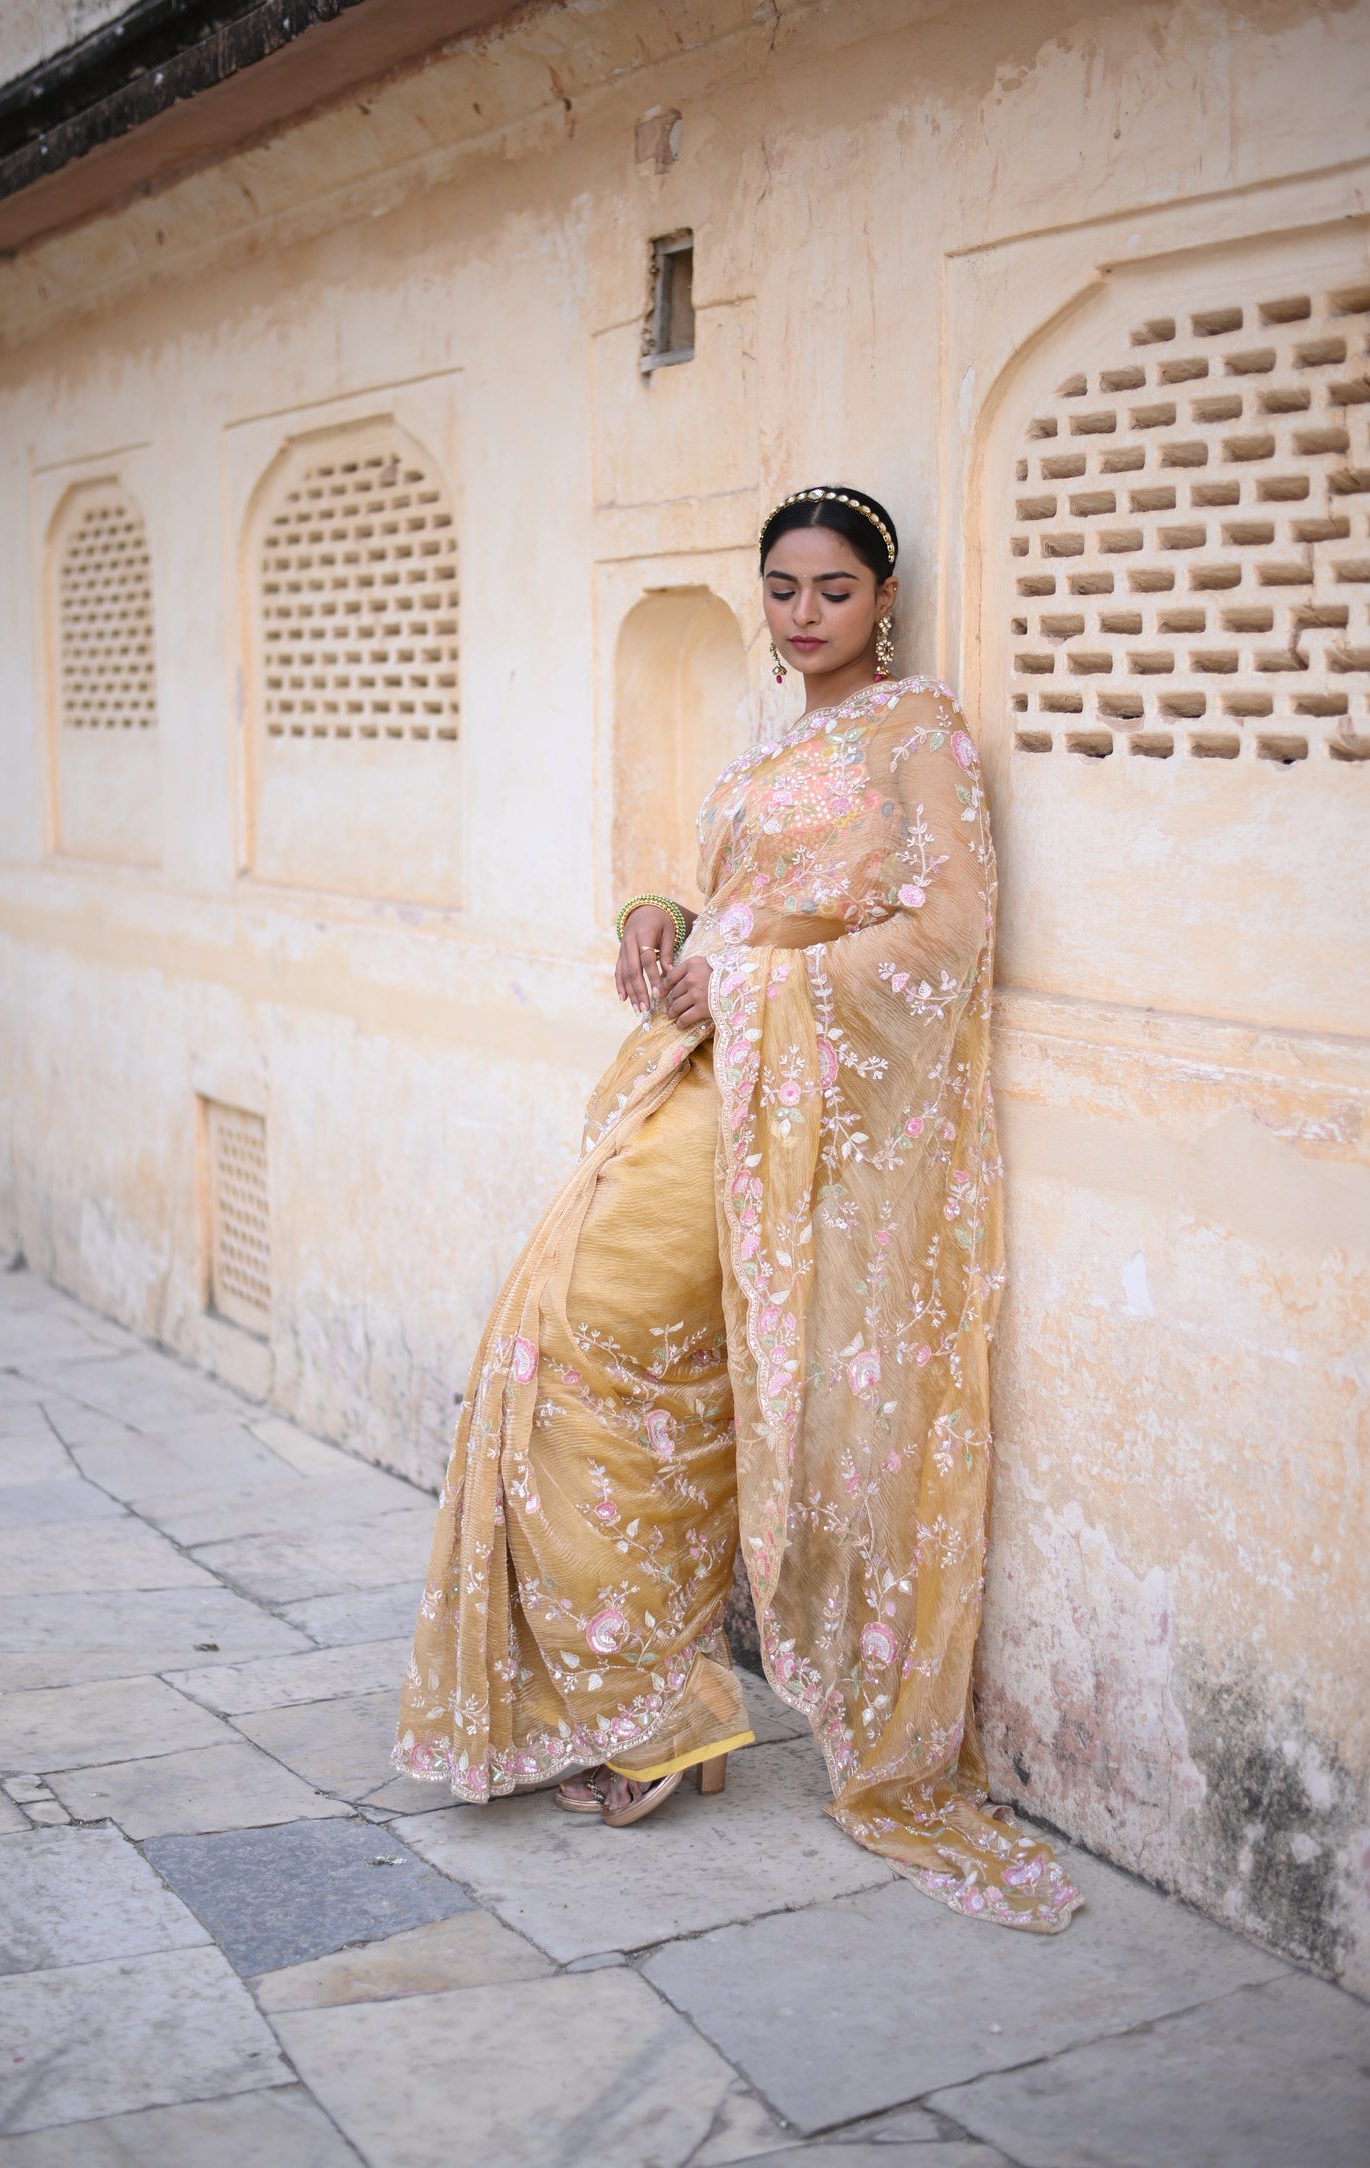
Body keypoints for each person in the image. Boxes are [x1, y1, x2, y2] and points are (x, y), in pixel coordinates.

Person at [395, 485, 1081, 1931]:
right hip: (703, 1080)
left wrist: (756, 982)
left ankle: (658, 1704)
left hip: (786, 1111)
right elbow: (754, 896)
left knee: (597, 1345)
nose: (802, 614)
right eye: (781, 588)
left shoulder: (920, 735)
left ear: (881, 597)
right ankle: (657, 1701)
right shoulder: (782, 742)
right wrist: (664, 914)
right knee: (580, 1353)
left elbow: (944, 938)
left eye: (831, 589)